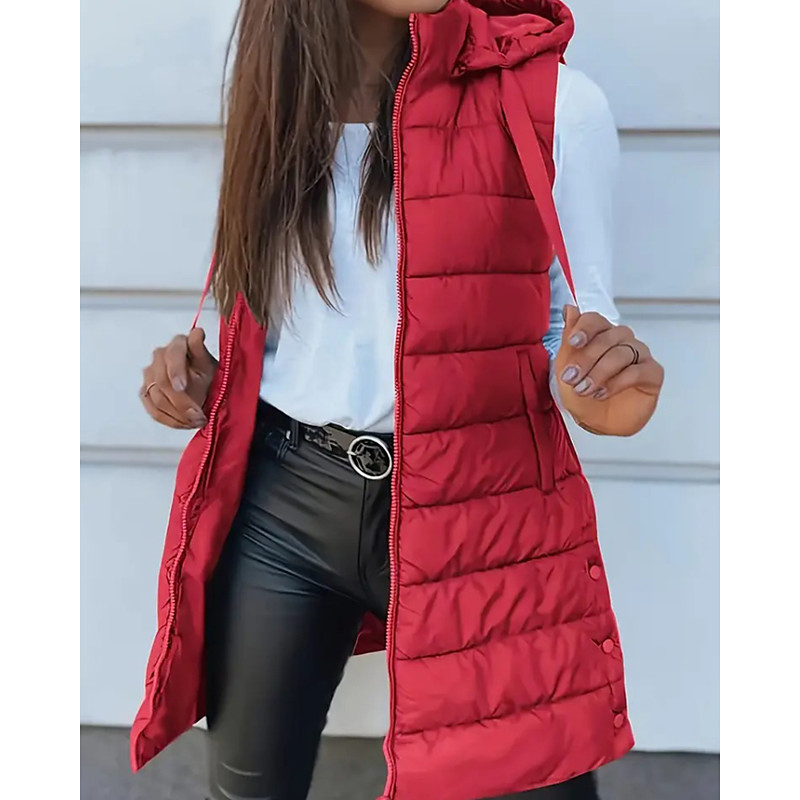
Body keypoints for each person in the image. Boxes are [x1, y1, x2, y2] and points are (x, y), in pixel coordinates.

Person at [132, 1, 665, 799]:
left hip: (484, 513)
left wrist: (600, 389)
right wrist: (211, 379)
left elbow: (576, 323)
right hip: (284, 502)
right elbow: (282, 307)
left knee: (534, 780)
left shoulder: (556, 101)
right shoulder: (268, 89)